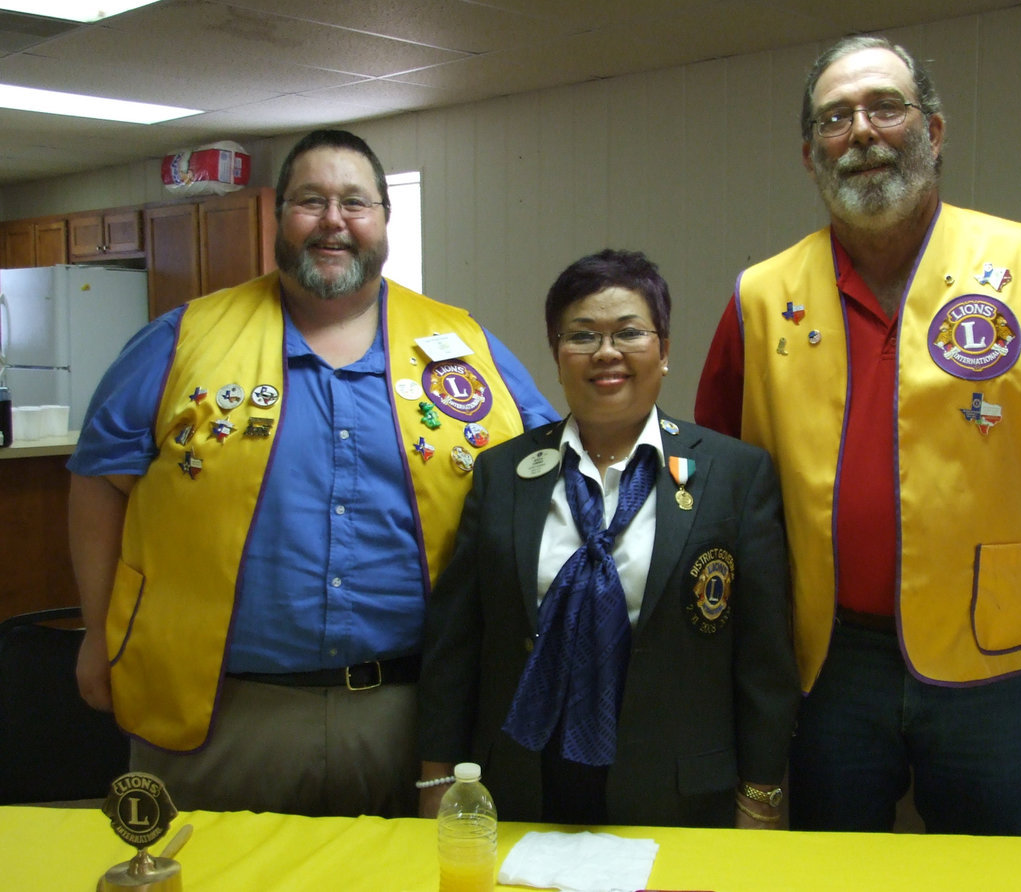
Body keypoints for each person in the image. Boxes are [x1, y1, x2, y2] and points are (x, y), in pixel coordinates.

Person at [695, 36, 1021, 835]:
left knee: (989, 870)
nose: (861, 131)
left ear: (932, 131)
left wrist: (1009, 501)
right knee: (835, 871)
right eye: (835, 119)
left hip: (989, 648)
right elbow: (722, 466)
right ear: (810, 155)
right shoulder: (760, 298)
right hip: (829, 657)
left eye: (885, 108)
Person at [68, 128, 558, 818]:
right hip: (220, 715)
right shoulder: (181, 341)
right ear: (278, 218)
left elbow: (541, 484)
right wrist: (97, 631)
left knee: (407, 873)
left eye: (355, 202)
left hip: (419, 719)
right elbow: (99, 482)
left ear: (384, 218)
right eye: (310, 201)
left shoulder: (469, 351)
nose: (334, 220)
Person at [418, 249, 797, 828]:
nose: (606, 352)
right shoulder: (503, 474)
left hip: (679, 789)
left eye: (629, 332)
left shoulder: (734, 475)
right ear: (557, 355)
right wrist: (437, 775)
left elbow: (764, 656)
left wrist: (762, 792)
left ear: (664, 350)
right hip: (523, 780)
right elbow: (456, 643)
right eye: (582, 336)